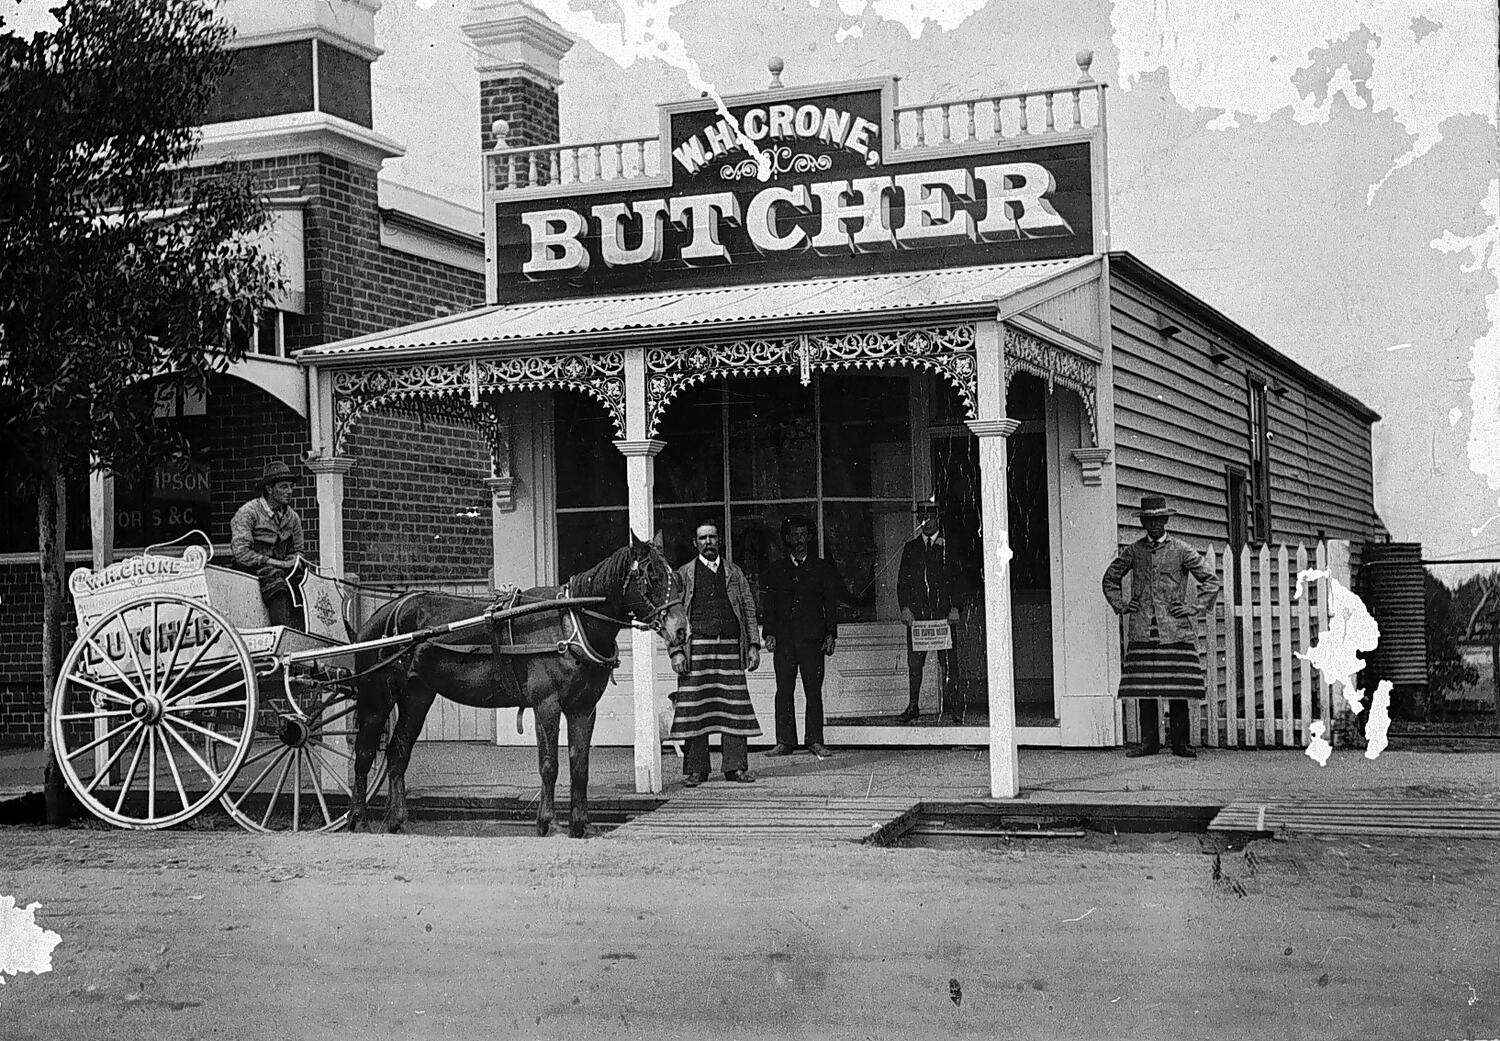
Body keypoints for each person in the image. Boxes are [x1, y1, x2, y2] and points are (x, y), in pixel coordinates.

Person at [1102, 494, 1222, 758]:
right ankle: (1149, 744)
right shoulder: (1134, 551)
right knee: (1146, 687)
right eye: (1149, 520)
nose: (1154, 525)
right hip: (1143, 629)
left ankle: (1181, 743)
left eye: (1159, 520)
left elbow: (1210, 581)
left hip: (1174, 630)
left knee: (1177, 687)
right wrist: (1121, 604)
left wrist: (1193, 607)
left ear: (1166, 520)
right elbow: (1109, 579)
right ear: (1143, 522)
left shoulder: (1181, 550)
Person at [668, 520, 763, 786]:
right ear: (695, 543)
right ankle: (697, 770)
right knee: (694, 710)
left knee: (734, 708)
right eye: (702, 538)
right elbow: (672, 616)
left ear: (719, 540)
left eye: (712, 537)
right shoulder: (684, 574)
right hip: (696, 647)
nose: (708, 542)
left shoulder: (734, 572)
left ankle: (735, 768)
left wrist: (753, 645)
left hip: (730, 645)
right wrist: (677, 652)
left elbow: (748, 608)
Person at [760, 513, 842, 759]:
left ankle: (815, 740)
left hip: (813, 640)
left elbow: (831, 603)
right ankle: (784, 742)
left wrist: (830, 634)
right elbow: (769, 606)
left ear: (809, 538)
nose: (799, 540)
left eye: (803, 535)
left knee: (813, 690)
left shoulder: (821, 568)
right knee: (783, 690)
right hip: (784, 641)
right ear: (787, 538)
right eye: (794, 535)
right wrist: (769, 634)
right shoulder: (776, 570)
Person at [896, 500, 962, 722]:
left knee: (949, 664)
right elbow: (902, 582)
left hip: (944, 617)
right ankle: (913, 706)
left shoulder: (948, 548)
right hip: (918, 618)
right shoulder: (911, 548)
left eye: (931, 517)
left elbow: (957, 580)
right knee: (915, 664)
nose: (927, 522)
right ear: (918, 521)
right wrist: (905, 608)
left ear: (938, 519)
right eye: (923, 518)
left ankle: (954, 707)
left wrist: (955, 607)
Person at [230, 460, 306, 628]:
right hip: (250, 570)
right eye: (284, 487)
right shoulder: (248, 513)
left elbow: (299, 550)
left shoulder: (292, 518)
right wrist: (277, 563)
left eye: (291, 487)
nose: (290, 491)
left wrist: (294, 560)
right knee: (277, 581)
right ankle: (282, 631)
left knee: (309, 582)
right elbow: (241, 553)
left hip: (283, 569)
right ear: (269, 489)